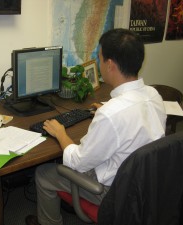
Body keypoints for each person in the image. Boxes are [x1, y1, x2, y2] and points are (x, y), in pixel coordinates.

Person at [25, 28, 167, 225]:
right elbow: (131, 116)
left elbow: (78, 162)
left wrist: (60, 133)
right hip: (144, 185)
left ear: (109, 65)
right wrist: (107, 108)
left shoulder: (111, 115)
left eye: (99, 58)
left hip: (112, 193)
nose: (98, 64)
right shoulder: (153, 95)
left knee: (43, 173)